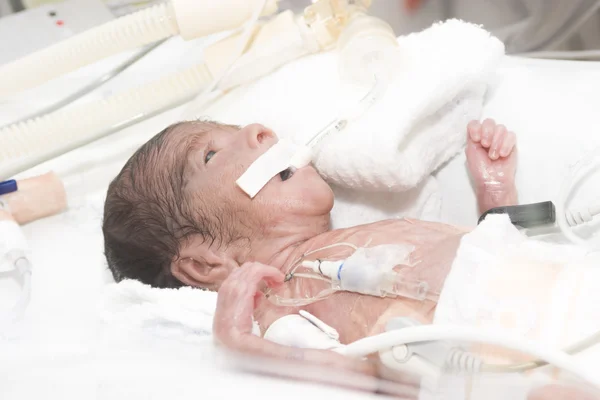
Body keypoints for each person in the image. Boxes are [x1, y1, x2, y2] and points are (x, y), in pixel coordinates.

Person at [101, 118, 592, 398]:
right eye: (210, 155)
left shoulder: (362, 234)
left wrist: (494, 193)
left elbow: (495, 252)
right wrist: (239, 345)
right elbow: (352, 377)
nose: (258, 131)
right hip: (519, 364)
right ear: (205, 263)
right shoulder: (280, 305)